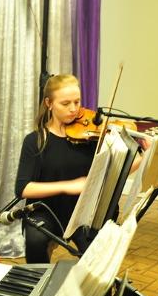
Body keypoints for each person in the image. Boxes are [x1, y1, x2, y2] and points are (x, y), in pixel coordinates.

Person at [14, 74, 98, 263]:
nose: (74, 109)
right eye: (65, 103)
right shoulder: (35, 140)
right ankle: (40, 287)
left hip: (80, 212)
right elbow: (23, 188)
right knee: (35, 242)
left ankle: (87, 291)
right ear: (49, 103)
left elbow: (114, 170)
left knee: (97, 251)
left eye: (77, 102)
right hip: (45, 211)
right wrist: (66, 186)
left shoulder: (89, 137)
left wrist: (144, 155)